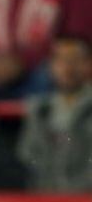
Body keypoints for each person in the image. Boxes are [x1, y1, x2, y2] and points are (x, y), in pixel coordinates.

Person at [18, 36, 92, 192]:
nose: (68, 67)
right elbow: (28, 157)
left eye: (75, 59)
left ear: (88, 64)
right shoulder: (39, 109)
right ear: (51, 66)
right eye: (61, 60)